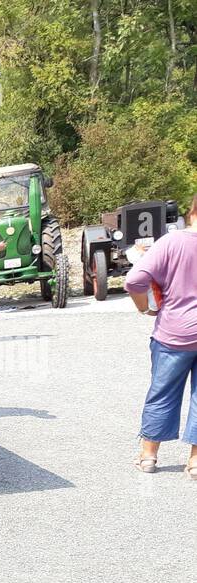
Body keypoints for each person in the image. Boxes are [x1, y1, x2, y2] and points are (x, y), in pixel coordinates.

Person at [123, 194, 197, 478]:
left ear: (190, 211)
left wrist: (144, 308)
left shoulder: (171, 241)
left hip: (174, 333)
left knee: (162, 393)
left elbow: (133, 280)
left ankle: (148, 457)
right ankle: (194, 462)